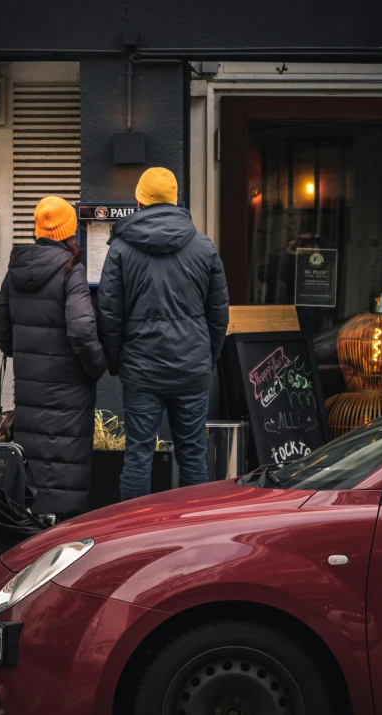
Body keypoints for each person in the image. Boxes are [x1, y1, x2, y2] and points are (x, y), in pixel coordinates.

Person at [97, 167, 229, 501]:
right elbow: (219, 314)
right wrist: (206, 360)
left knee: (138, 455)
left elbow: (109, 315)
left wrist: (118, 363)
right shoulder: (203, 247)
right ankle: (192, 536)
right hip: (192, 368)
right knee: (193, 454)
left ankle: (133, 537)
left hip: (141, 369)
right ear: (174, 199)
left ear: (139, 200)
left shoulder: (122, 249)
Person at [0, 196, 107, 520]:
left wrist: (25, 355)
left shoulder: (15, 272)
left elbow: (0, 327)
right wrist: (97, 366)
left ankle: (32, 545)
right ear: (70, 231)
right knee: (65, 469)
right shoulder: (71, 270)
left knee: (34, 471)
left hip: (30, 393)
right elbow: (83, 330)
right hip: (69, 391)